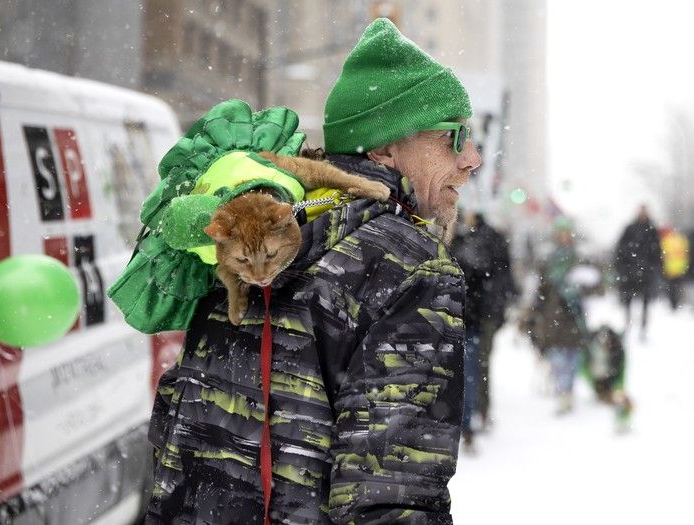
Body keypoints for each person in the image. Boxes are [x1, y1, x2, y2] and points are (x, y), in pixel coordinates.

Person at [147, 18, 481, 524]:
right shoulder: (413, 268)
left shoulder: (252, 228)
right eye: (453, 137)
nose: (472, 159)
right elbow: (391, 491)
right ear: (386, 148)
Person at [450, 211, 515, 451]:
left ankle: (472, 421)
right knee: (471, 371)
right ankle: (470, 420)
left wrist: (496, 310)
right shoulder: (460, 239)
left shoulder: (481, 241)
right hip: (468, 316)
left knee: (475, 370)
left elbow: (496, 277)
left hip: (476, 317)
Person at [528, 218, 588, 414]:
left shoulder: (578, 258)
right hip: (553, 313)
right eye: (560, 233)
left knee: (573, 356)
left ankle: (569, 390)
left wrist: (577, 284)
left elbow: (593, 283)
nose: (563, 237)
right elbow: (540, 288)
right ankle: (562, 392)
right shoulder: (548, 258)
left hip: (575, 314)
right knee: (558, 356)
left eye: (566, 233)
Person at [613, 205, 662, 337]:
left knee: (645, 303)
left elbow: (657, 252)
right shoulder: (629, 229)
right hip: (629, 273)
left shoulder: (652, 230)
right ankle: (628, 324)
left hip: (646, 274)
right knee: (627, 301)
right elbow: (620, 250)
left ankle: (643, 328)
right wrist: (622, 268)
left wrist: (654, 269)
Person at [659, 226, 690, 310]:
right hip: (680, 268)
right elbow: (685, 253)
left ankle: (674, 304)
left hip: (670, 269)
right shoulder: (681, 239)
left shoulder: (665, 241)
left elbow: (662, 255)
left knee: (672, 288)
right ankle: (677, 303)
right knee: (677, 287)